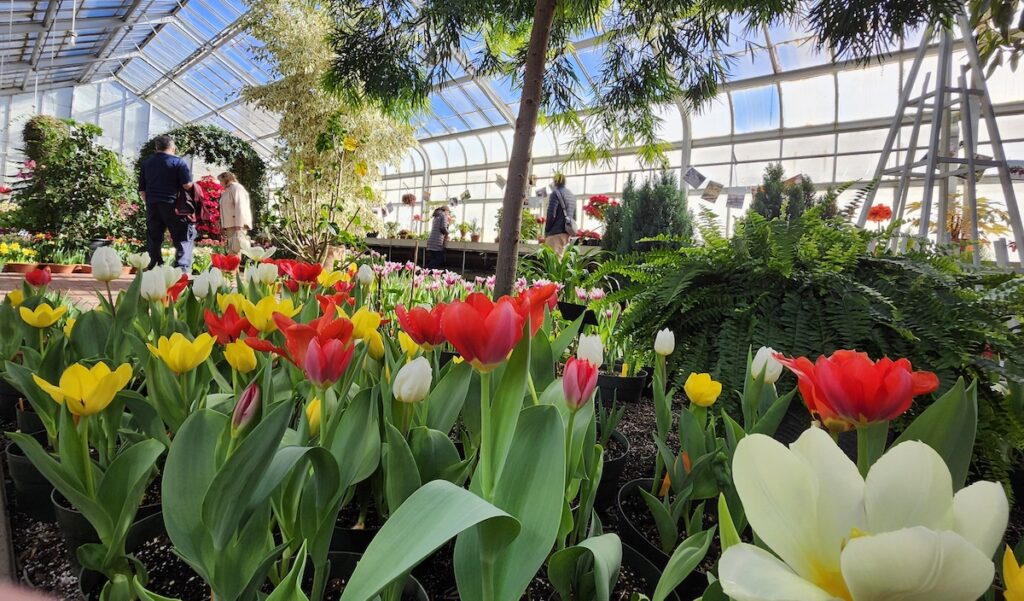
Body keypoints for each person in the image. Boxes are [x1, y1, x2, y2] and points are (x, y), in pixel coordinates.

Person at [139, 135, 195, 271]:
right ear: (172, 147)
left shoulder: (147, 163)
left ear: (156, 148)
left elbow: (142, 191)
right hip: (173, 205)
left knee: (154, 237)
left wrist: (150, 202)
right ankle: (181, 270)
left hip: (153, 205)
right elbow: (187, 185)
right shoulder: (178, 162)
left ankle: (155, 267)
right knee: (182, 237)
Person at [217, 171, 253, 255]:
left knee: (235, 251)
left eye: (220, 180)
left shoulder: (237, 188)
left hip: (236, 226)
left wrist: (239, 226)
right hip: (230, 226)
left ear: (226, 179)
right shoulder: (228, 190)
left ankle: (234, 268)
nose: (220, 183)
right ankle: (234, 268)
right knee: (232, 252)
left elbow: (240, 206)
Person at [544, 172, 576, 257]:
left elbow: (551, 214)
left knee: (552, 263)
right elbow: (574, 216)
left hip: (555, 234)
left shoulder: (555, 193)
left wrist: (547, 231)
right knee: (560, 263)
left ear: (555, 182)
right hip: (567, 234)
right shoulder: (572, 196)